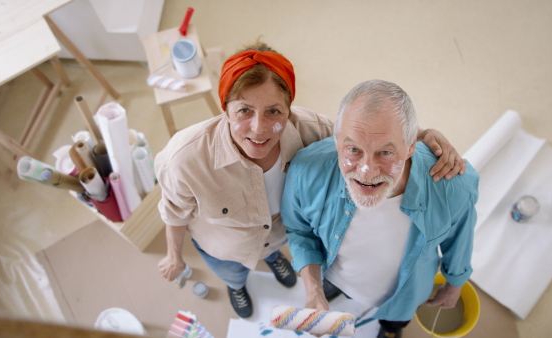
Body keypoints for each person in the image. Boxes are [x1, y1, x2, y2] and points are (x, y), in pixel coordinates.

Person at [154, 42, 467, 319]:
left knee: (275, 251)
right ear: (225, 108)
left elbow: (365, 132)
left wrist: (423, 135)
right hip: (225, 248)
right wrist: (174, 256)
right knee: (233, 275)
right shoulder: (184, 159)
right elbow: (174, 213)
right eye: (244, 111)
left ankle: (275, 259)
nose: (259, 127)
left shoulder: (313, 129)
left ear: (289, 110)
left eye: (274, 111)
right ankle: (237, 287)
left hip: (280, 236)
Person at [281, 79, 479, 338]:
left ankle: (389, 329)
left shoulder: (455, 187)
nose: (366, 171)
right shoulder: (305, 171)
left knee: (394, 323)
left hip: (404, 297)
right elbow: (299, 230)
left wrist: (454, 284)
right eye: (353, 150)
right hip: (334, 273)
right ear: (337, 141)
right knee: (332, 284)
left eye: (385, 153)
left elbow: (460, 241)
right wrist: (314, 291)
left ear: (411, 147)